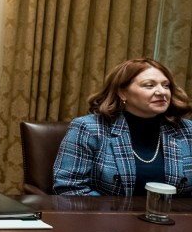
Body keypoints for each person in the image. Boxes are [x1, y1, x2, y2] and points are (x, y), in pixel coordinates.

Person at [53, 58, 192, 196]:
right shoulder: (89, 128)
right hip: (107, 217)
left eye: (166, 85)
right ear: (122, 92)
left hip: (173, 217)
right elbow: (70, 187)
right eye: (149, 85)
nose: (162, 92)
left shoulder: (186, 130)